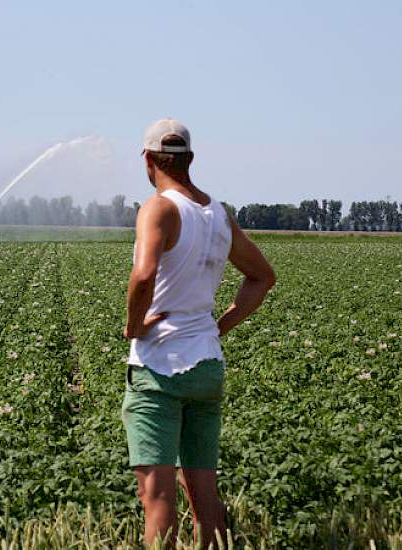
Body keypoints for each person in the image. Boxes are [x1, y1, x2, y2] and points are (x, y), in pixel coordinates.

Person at [122, 118, 276, 549]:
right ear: (189, 159)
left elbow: (144, 273)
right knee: (203, 490)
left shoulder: (158, 208)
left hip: (159, 368)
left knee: (157, 495)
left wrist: (134, 326)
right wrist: (218, 326)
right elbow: (262, 278)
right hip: (207, 367)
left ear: (150, 160)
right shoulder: (218, 214)